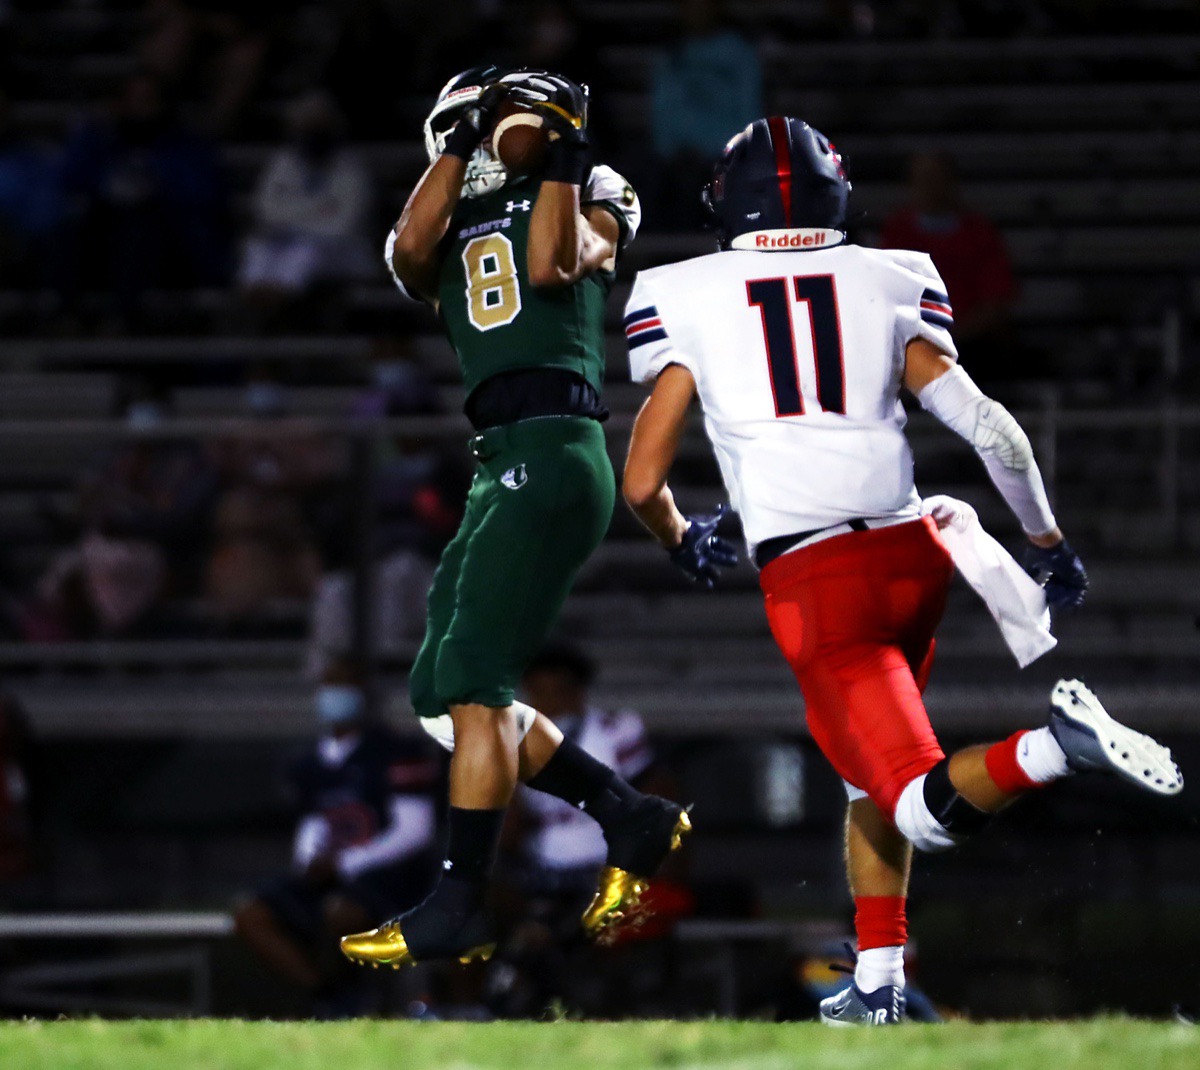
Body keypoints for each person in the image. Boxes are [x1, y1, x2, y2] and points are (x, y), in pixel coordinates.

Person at [619, 116, 1183, 1025]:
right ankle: (876, 983)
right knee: (863, 779)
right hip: (914, 558)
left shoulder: (684, 292)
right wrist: (1045, 544)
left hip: (816, 582)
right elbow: (993, 430)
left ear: (727, 201)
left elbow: (641, 480)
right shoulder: (889, 276)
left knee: (919, 807)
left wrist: (681, 536)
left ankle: (1056, 746)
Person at [339, 66, 689, 972]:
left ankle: (459, 900)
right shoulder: (448, 213)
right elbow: (405, 255)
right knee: (437, 696)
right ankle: (628, 813)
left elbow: (549, 262)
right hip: (502, 459)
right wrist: (465, 141)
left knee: (475, 680)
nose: (501, 131)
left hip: (557, 443)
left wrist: (561, 145)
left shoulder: (590, 190)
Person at [233, 663, 440, 1015]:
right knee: (252, 915)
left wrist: (345, 863)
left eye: (346, 686)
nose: (335, 697)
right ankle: (329, 996)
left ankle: (364, 998)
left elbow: (415, 830)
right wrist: (309, 862)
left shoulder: (398, 751)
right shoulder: (307, 761)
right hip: (327, 875)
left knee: (343, 914)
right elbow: (313, 822)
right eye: (330, 686)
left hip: (388, 876)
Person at [237, 92, 375, 326]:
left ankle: (277, 307)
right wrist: (317, 210)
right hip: (287, 241)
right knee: (257, 246)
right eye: (306, 123)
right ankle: (255, 304)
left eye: (319, 123)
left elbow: (343, 225)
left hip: (341, 250)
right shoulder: (283, 162)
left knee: (305, 251)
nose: (312, 129)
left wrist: (294, 215)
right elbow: (265, 212)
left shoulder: (351, 168)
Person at [880, 152, 1019, 376]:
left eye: (936, 179)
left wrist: (949, 339)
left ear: (952, 182)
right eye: (923, 179)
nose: (929, 187)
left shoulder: (980, 233)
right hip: (910, 346)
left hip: (972, 348)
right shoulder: (897, 232)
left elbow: (996, 303)